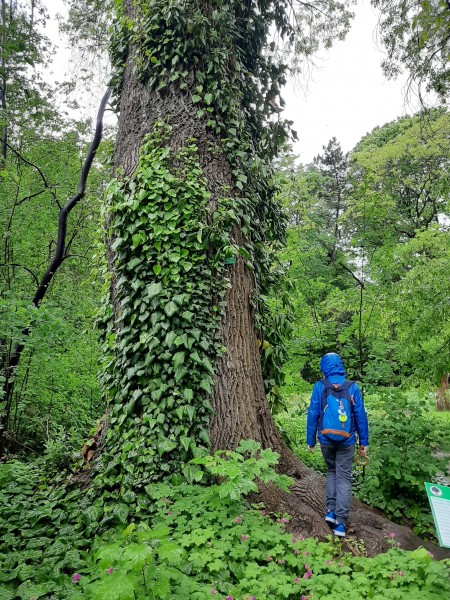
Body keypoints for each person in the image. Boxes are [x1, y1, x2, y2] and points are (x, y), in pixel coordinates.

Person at [306, 352, 369, 538]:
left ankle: (330, 512)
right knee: (343, 478)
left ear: (324, 367)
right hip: (347, 439)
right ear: (340, 365)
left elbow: (313, 413)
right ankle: (340, 524)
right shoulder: (352, 387)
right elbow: (360, 416)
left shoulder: (320, 386)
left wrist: (311, 440)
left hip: (326, 439)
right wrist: (363, 442)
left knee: (331, 472)